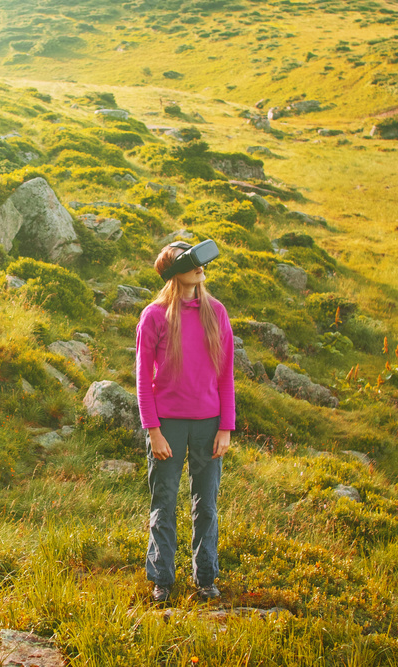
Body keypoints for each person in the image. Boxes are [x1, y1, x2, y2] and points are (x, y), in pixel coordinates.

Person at [135, 241, 235, 604]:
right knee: (164, 500)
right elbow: (143, 379)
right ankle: (162, 579)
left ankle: (205, 578)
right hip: (168, 425)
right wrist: (154, 430)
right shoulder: (154, 316)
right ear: (173, 272)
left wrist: (226, 426)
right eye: (190, 263)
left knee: (205, 503)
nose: (200, 267)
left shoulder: (216, 312)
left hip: (209, 422)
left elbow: (226, 373)